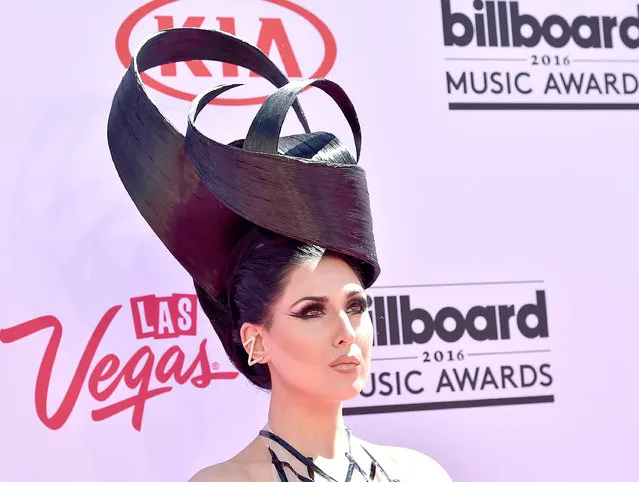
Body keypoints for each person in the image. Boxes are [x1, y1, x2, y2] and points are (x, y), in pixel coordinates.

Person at [107, 27, 453, 482]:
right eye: (312, 311)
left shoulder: (420, 474)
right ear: (255, 341)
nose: (347, 332)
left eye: (355, 305)